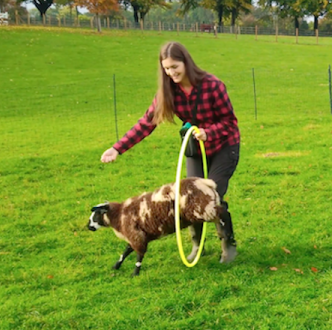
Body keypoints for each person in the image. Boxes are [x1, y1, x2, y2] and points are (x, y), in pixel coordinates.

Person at [100, 41, 240, 263]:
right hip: (196, 148)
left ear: (186, 62)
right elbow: (146, 124)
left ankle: (228, 244)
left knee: (212, 196)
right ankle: (197, 244)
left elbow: (230, 122)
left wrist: (208, 132)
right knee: (189, 197)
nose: (171, 72)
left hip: (224, 145)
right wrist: (118, 148)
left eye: (175, 66)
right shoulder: (167, 92)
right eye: (166, 68)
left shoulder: (212, 85)